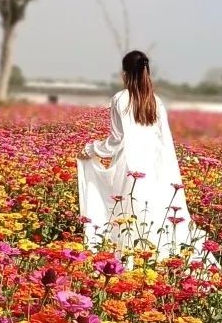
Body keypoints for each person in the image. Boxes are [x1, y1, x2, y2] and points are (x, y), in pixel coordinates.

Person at [77, 50, 202, 259]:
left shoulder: (120, 98)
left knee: (128, 213)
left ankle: (128, 258)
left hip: (129, 166)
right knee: (151, 211)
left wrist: (91, 149)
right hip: (154, 167)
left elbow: (117, 140)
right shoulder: (156, 101)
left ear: (124, 74)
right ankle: (155, 256)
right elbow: (165, 140)